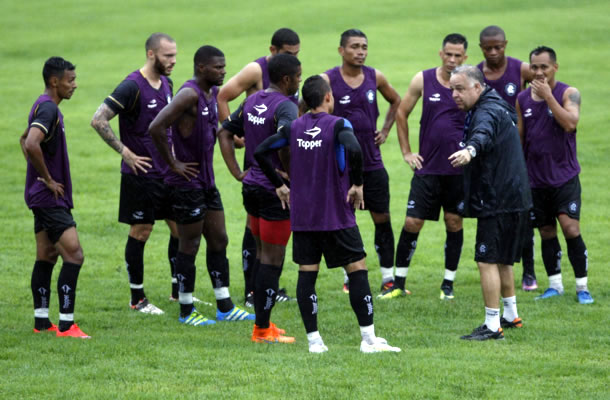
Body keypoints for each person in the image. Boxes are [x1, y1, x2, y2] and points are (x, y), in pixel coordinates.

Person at [254, 75, 401, 353]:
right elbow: (355, 148)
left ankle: (314, 342)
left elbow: (261, 151)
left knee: (306, 274)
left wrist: (280, 185)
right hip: (336, 215)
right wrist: (357, 184)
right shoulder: (338, 125)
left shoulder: (294, 127)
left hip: (304, 217)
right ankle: (369, 340)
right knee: (357, 270)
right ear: (328, 97)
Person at [149, 45, 255, 326]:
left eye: (224, 66)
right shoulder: (189, 94)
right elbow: (156, 127)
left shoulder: (212, 94)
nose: (223, 71)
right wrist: (173, 164)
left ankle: (225, 306)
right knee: (190, 245)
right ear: (201, 68)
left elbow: (218, 131)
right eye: (218, 67)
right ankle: (186, 310)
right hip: (186, 184)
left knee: (219, 239)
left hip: (207, 183)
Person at [90, 33, 179, 315]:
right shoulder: (132, 87)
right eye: (167, 56)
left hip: (166, 172)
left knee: (181, 229)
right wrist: (124, 151)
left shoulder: (167, 83)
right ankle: (137, 298)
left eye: (175, 55)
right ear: (151, 54)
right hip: (140, 174)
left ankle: (179, 292)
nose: (173, 61)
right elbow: (98, 119)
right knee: (141, 231)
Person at [217, 54, 301, 343]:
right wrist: (286, 178)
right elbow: (287, 140)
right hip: (273, 192)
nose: (300, 82)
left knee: (262, 253)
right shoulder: (286, 106)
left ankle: (264, 325)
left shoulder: (254, 100)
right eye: (298, 77)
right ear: (287, 79)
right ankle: (262, 330)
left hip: (251, 187)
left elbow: (224, 132)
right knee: (271, 260)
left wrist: (238, 173)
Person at [449, 65, 531, 340]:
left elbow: (482, 134)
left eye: (460, 89)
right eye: (451, 89)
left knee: (487, 260)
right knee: (504, 259)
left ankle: (492, 325)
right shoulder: (498, 102)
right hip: (515, 194)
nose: (455, 95)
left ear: (476, 87)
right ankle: (511, 315)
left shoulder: (486, 110)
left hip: (498, 197)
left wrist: (470, 150)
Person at [318, 29, 401, 294]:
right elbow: (305, 107)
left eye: (364, 46)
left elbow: (396, 100)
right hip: (340, 166)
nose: (361, 51)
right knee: (344, 220)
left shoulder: (375, 77)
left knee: (382, 219)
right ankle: (347, 277)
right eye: (354, 46)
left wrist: (386, 129)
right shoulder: (327, 80)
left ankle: (389, 278)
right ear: (341, 50)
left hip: (372, 163)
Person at [388, 33, 468, 300]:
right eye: (449, 54)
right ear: (441, 53)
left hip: (458, 170)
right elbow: (401, 112)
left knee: (454, 221)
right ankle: (398, 283)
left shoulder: (471, 83)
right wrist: (407, 152)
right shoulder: (423, 79)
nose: (453, 59)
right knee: (412, 222)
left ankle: (448, 284)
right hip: (428, 169)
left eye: (458, 55)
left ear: (465, 57)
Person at [516, 46, 593, 304]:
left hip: (564, 177)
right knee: (546, 231)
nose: (538, 72)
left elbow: (571, 123)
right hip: (535, 181)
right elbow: (520, 139)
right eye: (534, 67)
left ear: (555, 67)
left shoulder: (568, 93)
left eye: (544, 67)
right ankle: (554, 285)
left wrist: (549, 97)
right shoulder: (522, 99)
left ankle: (582, 287)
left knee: (570, 228)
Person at [20, 57, 89, 338]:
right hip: (48, 198)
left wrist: (37, 177)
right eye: (70, 80)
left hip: (39, 196)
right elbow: (31, 142)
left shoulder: (42, 104)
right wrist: (47, 179)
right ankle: (66, 324)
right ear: (54, 81)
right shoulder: (48, 109)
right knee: (74, 255)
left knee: (47, 255)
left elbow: (24, 139)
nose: (74, 85)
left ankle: (41, 322)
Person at [477, 25, 537, 291]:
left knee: (523, 214)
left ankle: (530, 271)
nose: (492, 52)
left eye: (497, 47)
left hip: (518, 151)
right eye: (487, 48)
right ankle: (502, 266)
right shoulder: (476, 74)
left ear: (505, 44)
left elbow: (538, 97)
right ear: (481, 48)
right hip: (491, 155)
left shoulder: (521, 69)